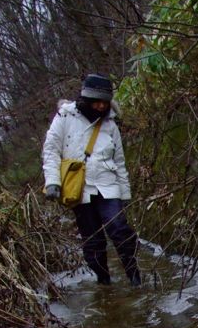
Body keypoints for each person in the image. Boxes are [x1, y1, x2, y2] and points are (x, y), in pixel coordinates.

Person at [42, 73, 141, 286]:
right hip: (79, 190)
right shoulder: (65, 118)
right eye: (96, 102)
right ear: (86, 99)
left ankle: (134, 276)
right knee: (93, 241)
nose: (100, 107)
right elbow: (50, 151)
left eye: (104, 102)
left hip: (109, 187)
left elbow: (120, 161)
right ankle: (104, 280)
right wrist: (52, 182)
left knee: (120, 230)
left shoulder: (110, 124)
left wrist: (125, 195)